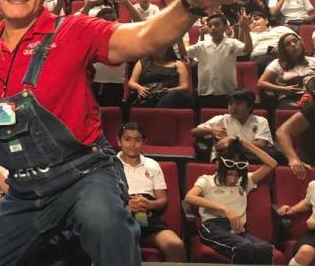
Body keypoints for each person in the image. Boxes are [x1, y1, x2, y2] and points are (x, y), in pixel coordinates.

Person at [0, 0, 237, 265]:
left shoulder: (72, 31)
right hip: (24, 192)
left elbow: (144, 37)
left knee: (106, 226)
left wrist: (191, 3)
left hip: (85, 176)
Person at [184, 138, 277, 264]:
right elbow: (189, 197)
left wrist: (245, 143)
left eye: (237, 175)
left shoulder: (244, 182)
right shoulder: (207, 180)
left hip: (238, 230)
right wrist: (224, 208)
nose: (233, 179)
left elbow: (272, 164)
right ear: (221, 169)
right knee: (244, 247)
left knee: (265, 248)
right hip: (213, 226)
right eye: (229, 175)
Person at [117, 123, 187, 262]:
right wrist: (126, 207)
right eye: (127, 139)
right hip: (120, 218)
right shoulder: (110, 165)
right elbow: (105, 200)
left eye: (137, 140)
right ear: (119, 141)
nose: (132, 144)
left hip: (148, 218)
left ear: (144, 142)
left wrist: (149, 204)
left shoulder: (153, 165)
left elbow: (162, 201)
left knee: (176, 245)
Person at [186, 13, 252, 109]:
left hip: (228, 91)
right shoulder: (202, 45)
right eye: (210, 26)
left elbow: (247, 50)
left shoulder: (232, 43)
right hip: (206, 91)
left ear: (225, 27)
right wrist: (179, 36)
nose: (213, 28)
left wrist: (246, 29)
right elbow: (184, 52)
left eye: (217, 25)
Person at [192, 89, 278, 162]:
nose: (233, 107)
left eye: (238, 104)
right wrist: (211, 130)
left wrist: (233, 141)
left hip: (251, 159)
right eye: (231, 104)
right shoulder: (221, 119)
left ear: (250, 106)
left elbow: (260, 144)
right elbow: (194, 132)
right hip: (224, 161)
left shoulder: (260, 121)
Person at [258, 33, 315, 109]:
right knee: (304, 108)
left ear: (301, 43)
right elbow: (261, 83)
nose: (293, 45)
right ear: (283, 49)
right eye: (287, 44)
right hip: (289, 99)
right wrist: (283, 89)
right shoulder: (277, 63)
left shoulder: (312, 61)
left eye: (295, 41)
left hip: (312, 97)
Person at [128, 46, 192, 108]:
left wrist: (169, 91)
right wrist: (139, 88)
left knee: (175, 95)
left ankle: (156, 114)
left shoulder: (178, 64)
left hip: (171, 96)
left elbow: (185, 86)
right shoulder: (143, 62)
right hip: (149, 95)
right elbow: (131, 82)